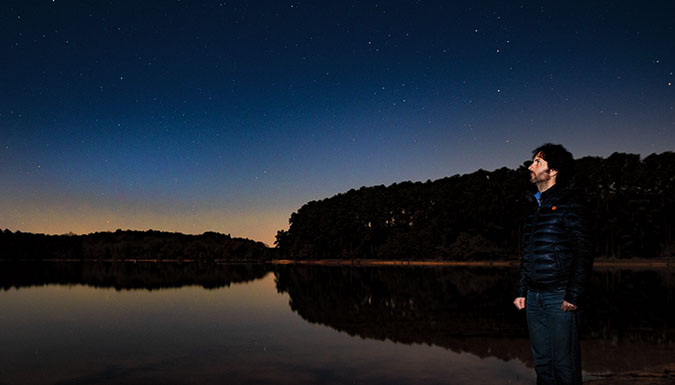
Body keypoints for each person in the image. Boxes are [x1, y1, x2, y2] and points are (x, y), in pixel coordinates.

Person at [513, 143, 593, 385]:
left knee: (564, 364)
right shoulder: (534, 208)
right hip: (534, 298)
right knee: (543, 363)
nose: (530, 166)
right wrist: (521, 291)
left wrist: (574, 294)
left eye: (538, 162)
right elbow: (528, 254)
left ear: (553, 170)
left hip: (559, 297)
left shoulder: (570, 203)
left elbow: (583, 251)